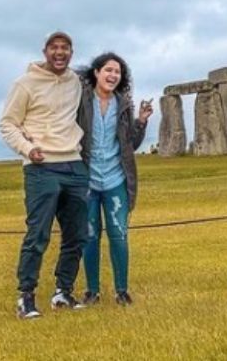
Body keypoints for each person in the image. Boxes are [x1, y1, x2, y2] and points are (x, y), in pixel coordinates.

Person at [0, 31, 89, 319]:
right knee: (38, 234)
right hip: (41, 167)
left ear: (71, 53)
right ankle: (26, 297)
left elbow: (103, 82)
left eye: (65, 48)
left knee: (77, 234)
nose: (60, 53)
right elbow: (8, 124)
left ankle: (63, 291)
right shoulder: (25, 84)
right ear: (45, 51)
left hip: (74, 165)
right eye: (54, 48)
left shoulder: (75, 81)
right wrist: (28, 149)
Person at [77, 52, 152, 306]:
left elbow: (129, 144)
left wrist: (141, 121)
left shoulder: (124, 104)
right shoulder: (82, 100)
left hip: (115, 178)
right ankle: (92, 291)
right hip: (87, 178)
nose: (113, 75)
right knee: (89, 235)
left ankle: (122, 291)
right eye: (108, 70)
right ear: (96, 73)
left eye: (117, 72)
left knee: (119, 234)